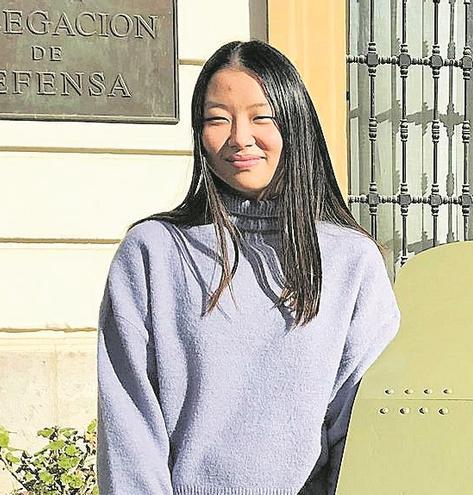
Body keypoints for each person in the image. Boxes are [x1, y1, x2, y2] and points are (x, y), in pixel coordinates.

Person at [96, 40, 400, 494]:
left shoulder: (350, 261)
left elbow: (363, 426)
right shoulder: (152, 254)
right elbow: (129, 427)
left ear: (295, 124)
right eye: (218, 119)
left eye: (261, 117)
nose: (240, 137)